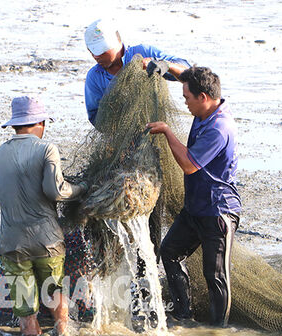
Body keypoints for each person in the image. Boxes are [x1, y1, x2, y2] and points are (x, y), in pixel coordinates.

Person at [146, 67, 241, 326]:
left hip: (217, 212)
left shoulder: (219, 128)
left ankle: (217, 330)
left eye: (187, 97)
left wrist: (166, 131)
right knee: (171, 251)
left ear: (203, 97)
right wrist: (164, 67)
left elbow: (189, 165)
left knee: (216, 276)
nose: (184, 102)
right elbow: (188, 76)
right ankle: (184, 316)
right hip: (194, 208)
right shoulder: (205, 108)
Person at [0, 96, 87, 336]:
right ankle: (63, 330)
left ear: (14, 125)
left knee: (26, 317)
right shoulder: (46, 149)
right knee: (55, 292)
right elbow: (55, 191)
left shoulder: (0, 153)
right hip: (47, 242)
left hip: (12, 244)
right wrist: (82, 189)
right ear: (39, 123)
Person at [84, 18, 190, 126]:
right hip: (122, 137)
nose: (96, 56)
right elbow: (95, 118)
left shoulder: (143, 52)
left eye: (101, 51)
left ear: (117, 43)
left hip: (157, 127)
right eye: (91, 51)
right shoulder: (94, 77)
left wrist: (163, 65)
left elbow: (189, 72)